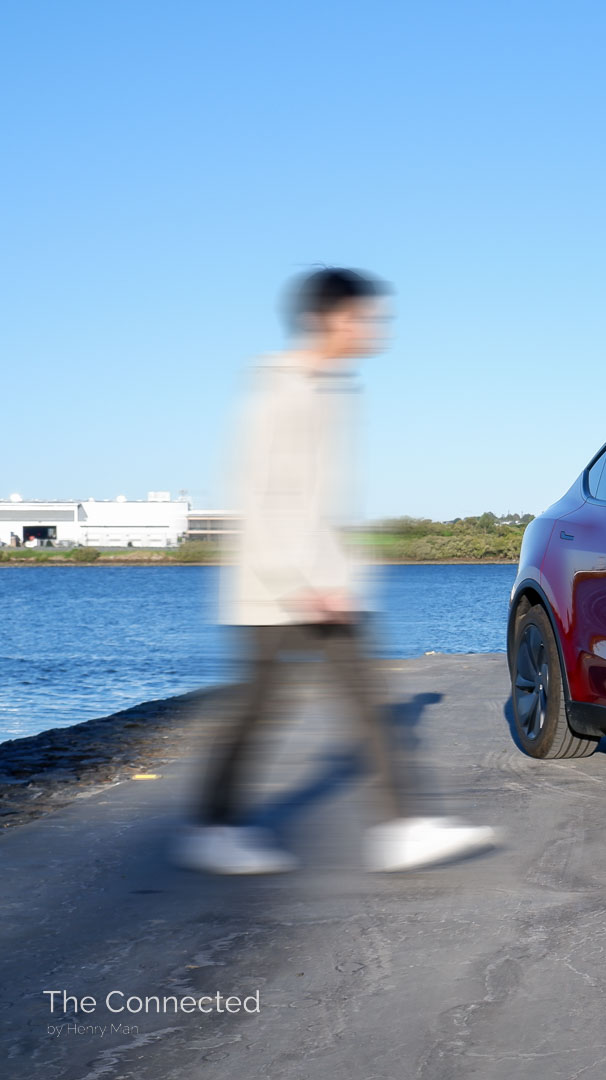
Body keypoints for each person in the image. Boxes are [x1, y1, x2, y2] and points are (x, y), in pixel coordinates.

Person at [176, 268, 495, 875]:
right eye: (363, 317)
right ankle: (214, 827)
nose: (373, 328)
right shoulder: (280, 390)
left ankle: (398, 826)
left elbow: (321, 502)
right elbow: (260, 493)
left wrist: (338, 572)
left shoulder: (332, 388)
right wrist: (300, 580)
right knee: (261, 708)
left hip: (321, 584)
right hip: (279, 589)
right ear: (326, 319)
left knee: (359, 701)